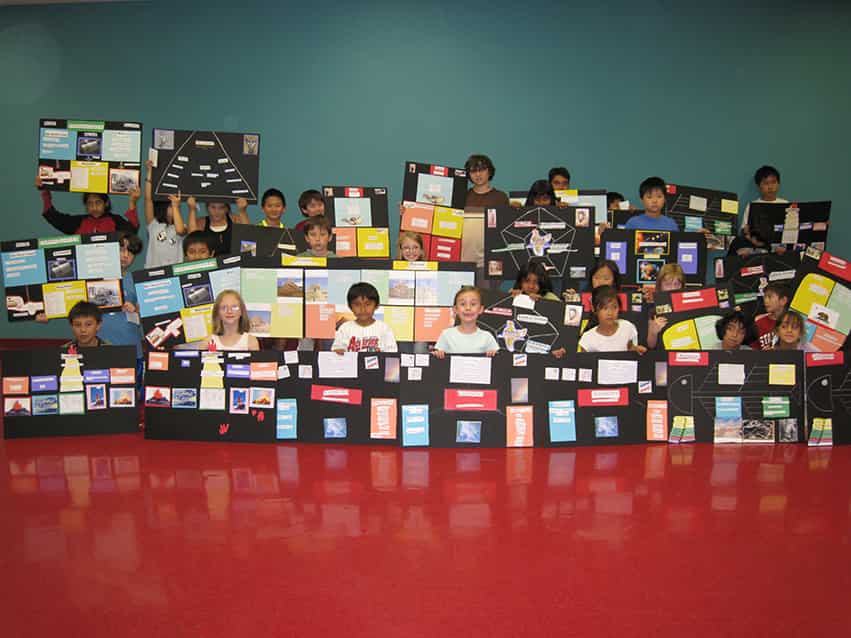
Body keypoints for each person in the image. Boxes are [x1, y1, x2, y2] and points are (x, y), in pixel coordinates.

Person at [36, 175, 139, 235]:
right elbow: (50, 214)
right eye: (90, 203)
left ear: (106, 203)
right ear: (86, 205)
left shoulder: (116, 220)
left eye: (98, 202)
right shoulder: (78, 222)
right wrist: (45, 190)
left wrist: (132, 201)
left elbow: (133, 229)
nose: (94, 207)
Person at [331, 282, 398, 353]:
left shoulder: (384, 328)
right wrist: (338, 352)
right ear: (350, 307)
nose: (363, 309)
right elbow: (336, 350)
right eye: (357, 304)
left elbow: (392, 353)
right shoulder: (344, 328)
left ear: (376, 305)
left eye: (368, 304)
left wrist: (381, 354)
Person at [433, 286, 499, 357]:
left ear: (480, 309)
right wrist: (438, 355)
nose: (468, 308)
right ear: (455, 309)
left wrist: (493, 354)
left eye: (473, 304)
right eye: (463, 304)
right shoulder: (446, 335)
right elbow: (437, 361)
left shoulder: (487, 337)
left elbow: (498, 359)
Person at [143, 159, 186, 267]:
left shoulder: (181, 226)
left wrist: (175, 206)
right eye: (171, 205)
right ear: (163, 207)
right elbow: (148, 199)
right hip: (153, 272)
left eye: (176, 206)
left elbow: (180, 231)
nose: (175, 208)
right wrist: (149, 172)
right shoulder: (153, 224)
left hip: (174, 274)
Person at [579, 285, 646, 353]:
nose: (610, 313)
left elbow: (630, 349)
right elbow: (584, 362)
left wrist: (636, 349)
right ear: (594, 309)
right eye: (605, 308)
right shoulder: (587, 338)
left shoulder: (627, 327)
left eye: (614, 307)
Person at [646, 263, 687, 348]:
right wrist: (653, 332)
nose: (672, 288)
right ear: (660, 285)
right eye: (668, 284)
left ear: (682, 286)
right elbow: (650, 346)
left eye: (676, 284)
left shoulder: (690, 306)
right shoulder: (653, 311)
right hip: (663, 356)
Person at [741, 165, 787, 233]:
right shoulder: (753, 205)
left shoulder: (785, 204)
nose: (770, 187)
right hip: (757, 242)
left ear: (778, 184)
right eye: (766, 183)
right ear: (759, 186)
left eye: (773, 182)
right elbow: (744, 230)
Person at [750, 282, 790, 350]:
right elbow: (753, 350)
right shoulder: (759, 323)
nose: (766, 301)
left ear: (783, 300)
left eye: (770, 297)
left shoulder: (793, 322)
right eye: (765, 297)